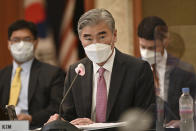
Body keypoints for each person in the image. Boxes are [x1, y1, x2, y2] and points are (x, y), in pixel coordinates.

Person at [46, 8, 156, 128]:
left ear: (114, 35)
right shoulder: (75, 71)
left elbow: (145, 119)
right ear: (81, 40)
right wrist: (60, 121)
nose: (95, 43)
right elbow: (69, 116)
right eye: (88, 38)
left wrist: (97, 126)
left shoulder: (138, 69)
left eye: (102, 37)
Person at [0, 20, 65, 129]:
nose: (21, 44)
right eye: (16, 39)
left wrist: (31, 118)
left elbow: (57, 107)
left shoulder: (53, 74)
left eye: (27, 39)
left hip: (35, 126)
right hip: (5, 127)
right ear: (9, 44)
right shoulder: (2, 75)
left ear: (36, 42)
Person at [137, 16, 196, 127]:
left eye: (152, 48)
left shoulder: (184, 70)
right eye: (142, 47)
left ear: (166, 41)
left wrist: (183, 123)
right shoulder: (134, 69)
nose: (146, 53)